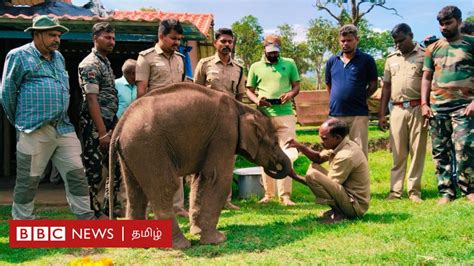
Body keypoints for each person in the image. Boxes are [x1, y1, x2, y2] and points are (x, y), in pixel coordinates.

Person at [0, 15, 95, 220]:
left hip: (63, 127)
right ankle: (23, 220)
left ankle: (85, 217)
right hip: (33, 129)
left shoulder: (59, 57)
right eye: (52, 35)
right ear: (37, 34)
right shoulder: (19, 55)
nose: (57, 39)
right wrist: (21, 122)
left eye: (58, 35)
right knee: (28, 179)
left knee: (77, 174)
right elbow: (7, 93)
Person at [135, 18, 188, 217]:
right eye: (173, 38)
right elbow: (141, 93)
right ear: (161, 36)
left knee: (179, 162)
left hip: (179, 119)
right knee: (156, 164)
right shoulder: (145, 58)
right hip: (156, 120)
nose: (177, 43)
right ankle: (154, 206)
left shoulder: (181, 59)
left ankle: (177, 206)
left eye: (179, 39)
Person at [421, 5, 474, 204]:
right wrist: (425, 104)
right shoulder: (432, 48)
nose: (444, 27)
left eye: (448, 23)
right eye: (441, 24)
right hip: (438, 108)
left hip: (464, 107)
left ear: (459, 22)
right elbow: (426, 77)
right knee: (440, 150)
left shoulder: (470, 44)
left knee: (465, 147)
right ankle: (446, 192)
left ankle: (469, 189)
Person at [246, 34, 300, 206]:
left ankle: (285, 195)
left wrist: (290, 95)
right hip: (264, 115)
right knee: (265, 154)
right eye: (270, 51)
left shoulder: (289, 64)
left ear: (280, 49)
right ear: (264, 49)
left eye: (276, 51)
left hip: (285, 114)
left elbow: (296, 86)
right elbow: (249, 90)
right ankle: (268, 194)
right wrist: (257, 101)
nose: (273, 54)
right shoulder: (255, 67)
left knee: (287, 153)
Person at [194, 27, 245, 210]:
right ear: (216, 43)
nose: (227, 45)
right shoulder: (205, 64)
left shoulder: (239, 69)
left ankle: (225, 200)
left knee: (227, 161)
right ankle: (201, 199)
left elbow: (239, 97)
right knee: (203, 160)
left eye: (230, 42)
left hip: (229, 121)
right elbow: (196, 91)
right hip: (207, 120)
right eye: (223, 41)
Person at [286, 118, 370, 224]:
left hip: (355, 206)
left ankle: (340, 214)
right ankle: (337, 210)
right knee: (314, 167)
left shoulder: (346, 155)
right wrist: (300, 146)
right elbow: (318, 159)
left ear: (337, 137)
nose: (321, 142)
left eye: (324, 138)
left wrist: (295, 176)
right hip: (348, 197)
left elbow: (327, 187)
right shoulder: (340, 144)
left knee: (313, 175)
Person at [378, 23, 428, 203]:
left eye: (401, 40)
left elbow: (429, 83)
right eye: (395, 42)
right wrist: (382, 113)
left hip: (417, 108)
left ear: (411, 35)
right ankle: (395, 191)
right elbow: (386, 87)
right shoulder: (391, 59)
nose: (398, 45)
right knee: (398, 152)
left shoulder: (424, 55)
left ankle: (414, 192)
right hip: (397, 109)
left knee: (417, 151)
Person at [78, 22, 120, 217]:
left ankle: (110, 208)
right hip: (96, 125)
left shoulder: (105, 61)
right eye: (107, 38)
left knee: (114, 168)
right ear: (95, 38)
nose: (112, 41)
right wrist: (102, 132)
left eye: (113, 37)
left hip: (109, 122)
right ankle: (94, 213)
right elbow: (92, 99)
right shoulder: (90, 64)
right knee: (94, 172)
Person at [325, 24, 378, 158]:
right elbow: (329, 85)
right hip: (336, 114)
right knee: (335, 151)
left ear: (357, 39)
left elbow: (373, 85)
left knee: (359, 152)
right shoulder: (332, 61)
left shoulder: (367, 60)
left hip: (358, 114)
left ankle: (360, 179)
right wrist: (336, 100)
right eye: (343, 41)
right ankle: (336, 179)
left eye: (349, 40)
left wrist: (360, 97)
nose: (345, 44)